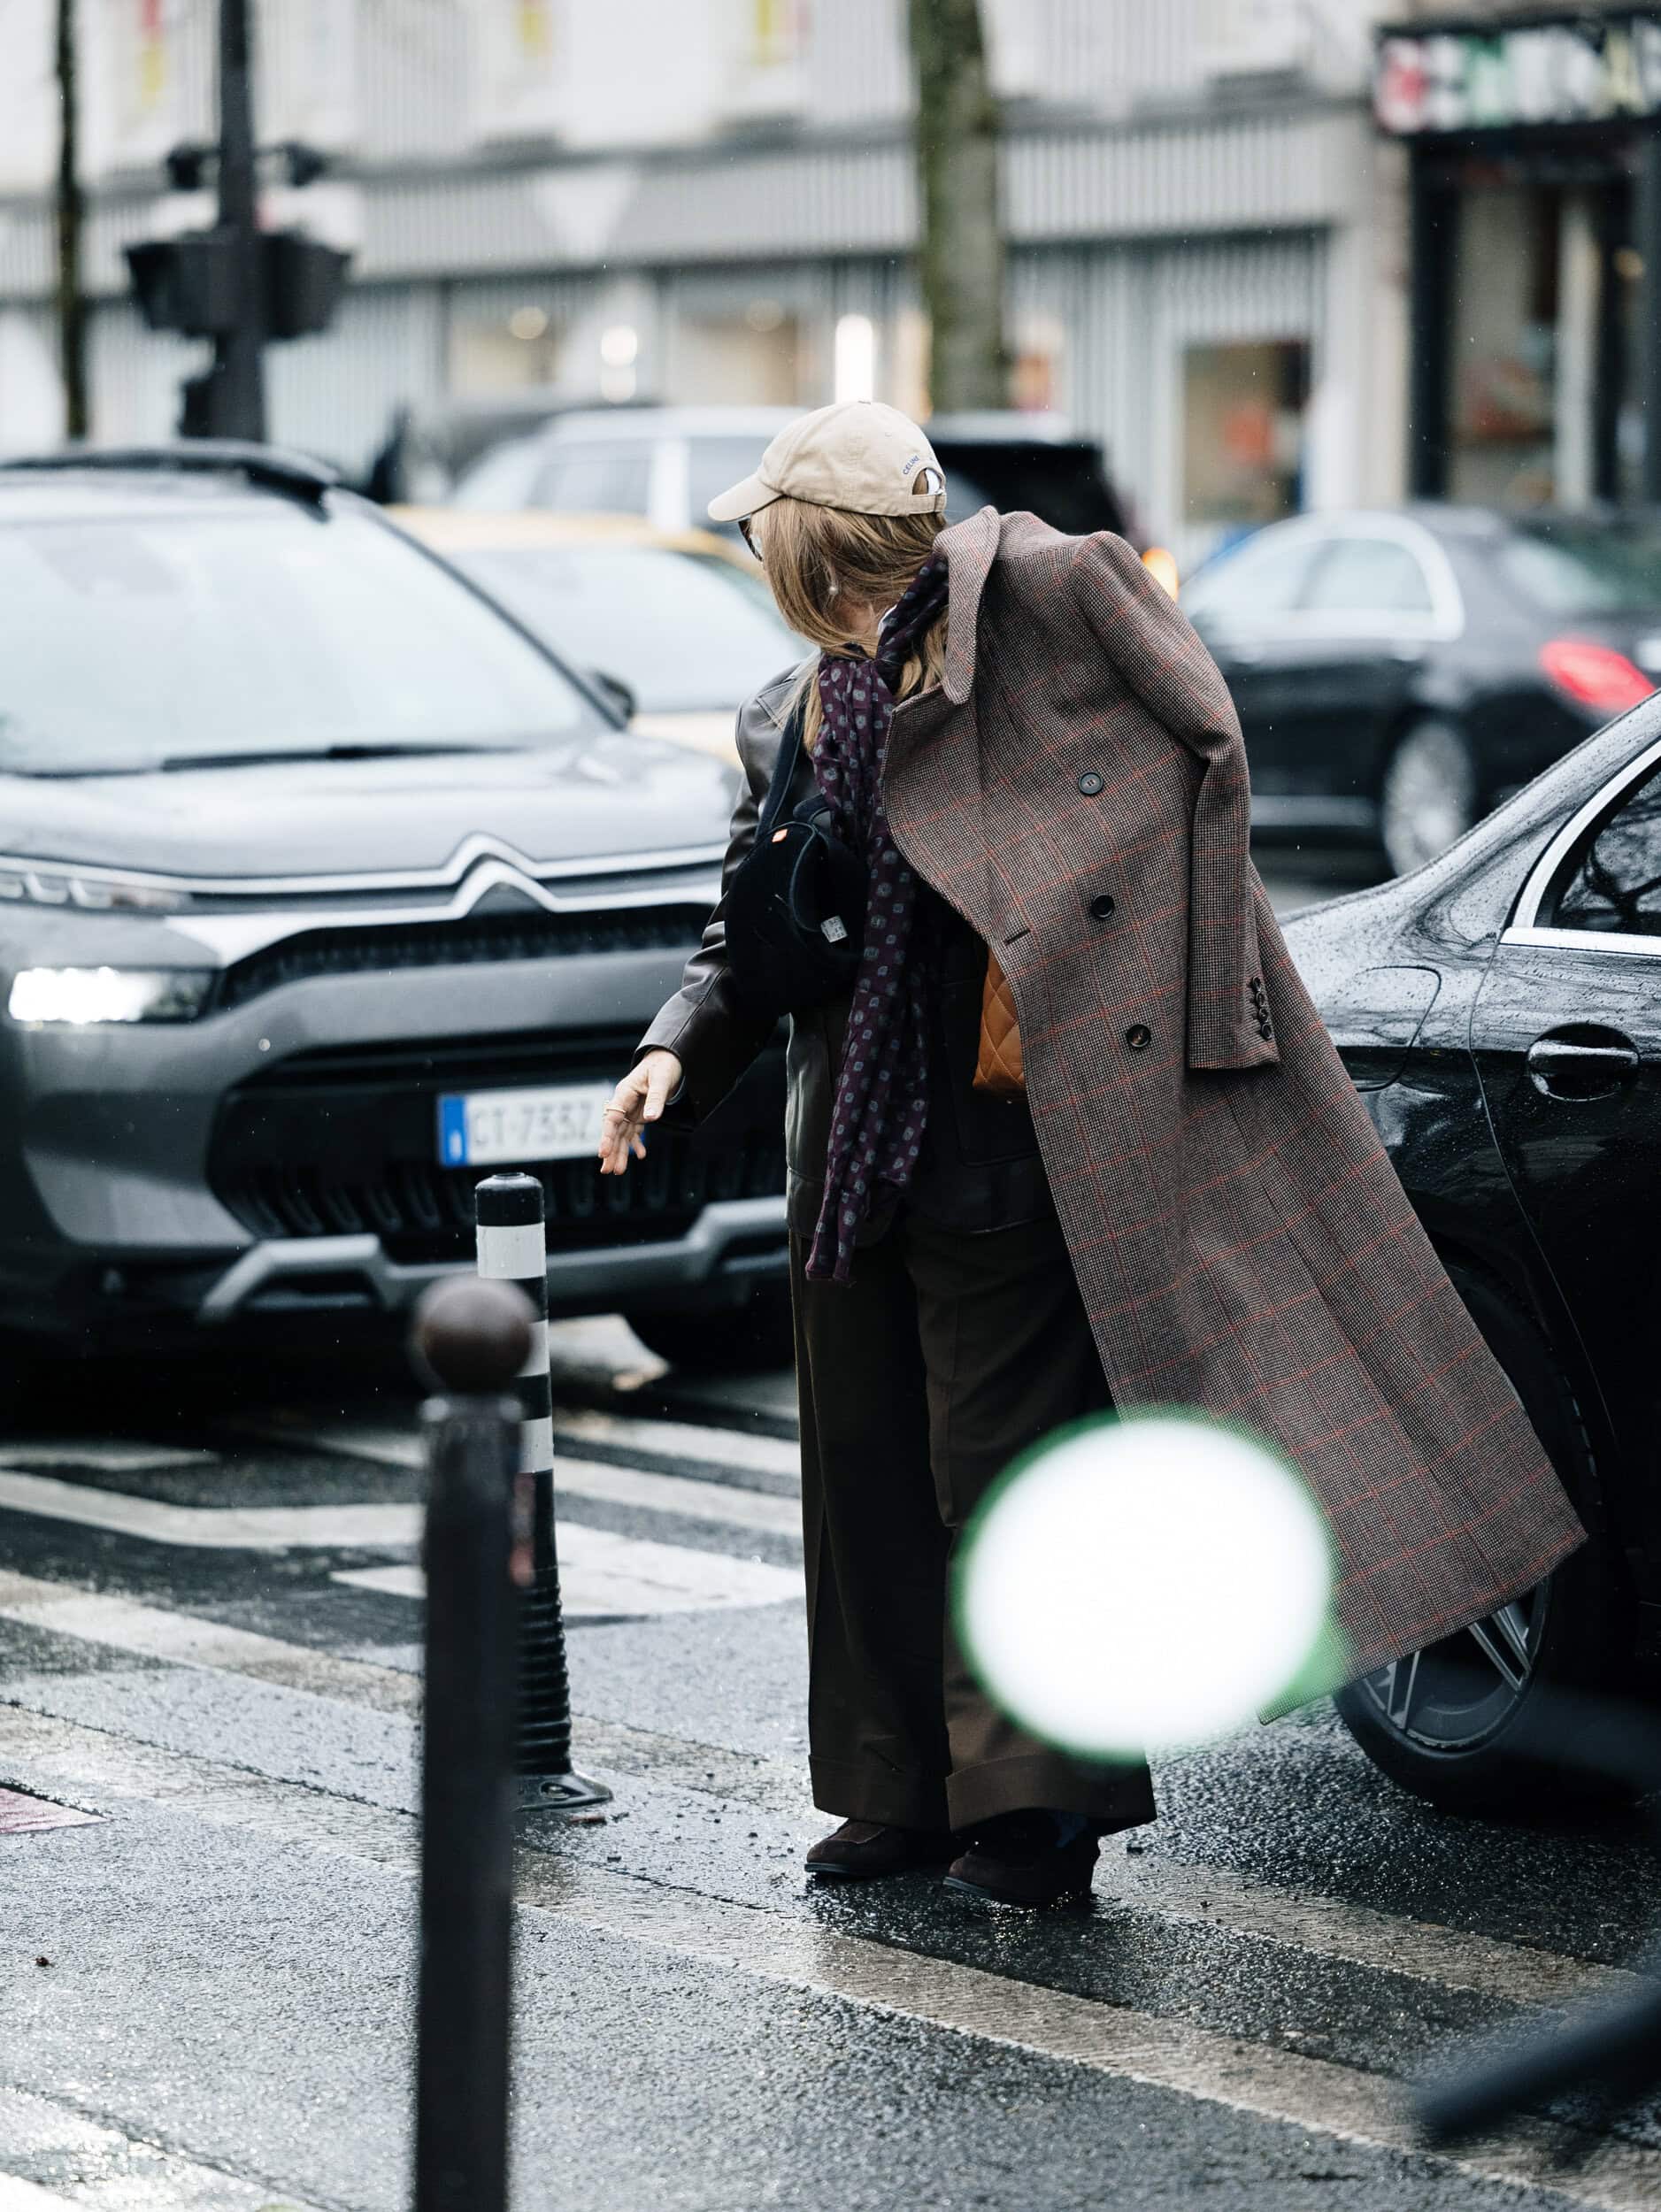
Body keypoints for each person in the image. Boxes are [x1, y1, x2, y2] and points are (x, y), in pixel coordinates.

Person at [598, 399, 1585, 1911]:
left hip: (1016, 1140)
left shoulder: (1036, 650)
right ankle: (897, 1792)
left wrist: (1203, 1006)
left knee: (1000, 1488)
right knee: (861, 1486)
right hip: (852, 1155)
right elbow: (753, 928)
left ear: (817, 545)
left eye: (768, 537)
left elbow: (1203, 750)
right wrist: (674, 1041)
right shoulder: (790, 714)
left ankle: (1035, 1811)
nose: (757, 559)